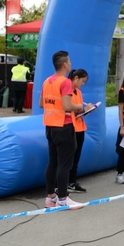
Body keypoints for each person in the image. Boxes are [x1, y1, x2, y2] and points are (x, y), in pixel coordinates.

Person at [40, 50, 84, 209]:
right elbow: (67, 106)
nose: (71, 64)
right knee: (65, 164)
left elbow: (41, 104)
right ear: (65, 65)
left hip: (50, 125)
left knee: (53, 162)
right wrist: (80, 106)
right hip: (64, 126)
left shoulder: (47, 81)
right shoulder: (65, 82)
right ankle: (63, 199)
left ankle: (51, 197)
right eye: (69, 61)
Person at [68, 69, 93, 193]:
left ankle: (72, 182)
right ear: (76, 78)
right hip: (70, 127)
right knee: (68, 157)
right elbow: (69, 109)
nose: (82, 84)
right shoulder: (66, 90)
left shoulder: (78, 92)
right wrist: (82, 110)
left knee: (76, 157)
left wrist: (86, 110)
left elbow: (79, 112)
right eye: (82, 81)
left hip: (79, 127)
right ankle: (63, 183)